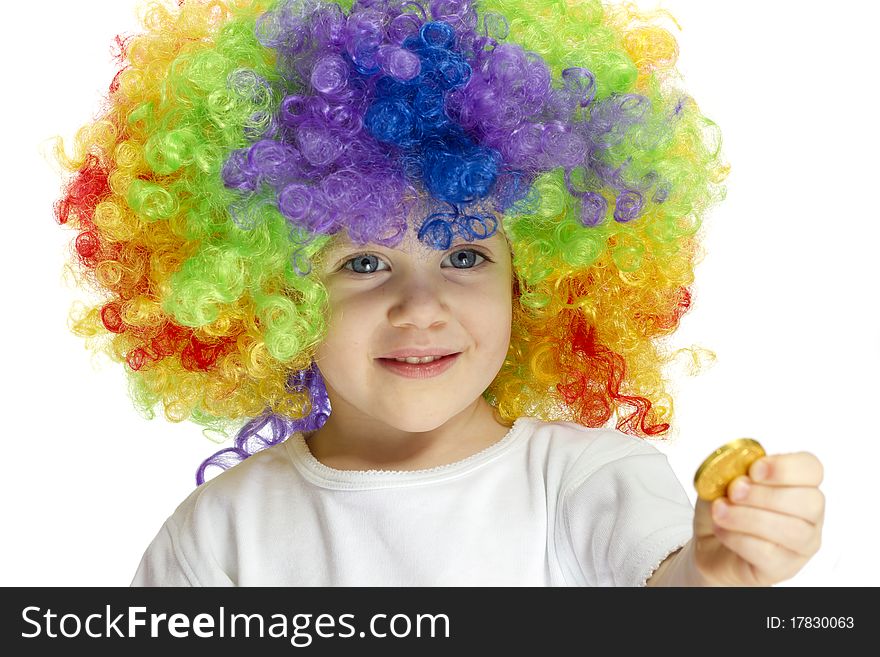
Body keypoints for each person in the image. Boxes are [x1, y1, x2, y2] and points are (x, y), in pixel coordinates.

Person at [54, 0, 824, 586]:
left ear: (531, 283)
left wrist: (717, 572)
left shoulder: (583, 481)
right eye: (362, 262)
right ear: (272, 295)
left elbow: (668, 582)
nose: (420, 307)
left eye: (463, 252)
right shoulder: (221, 536)